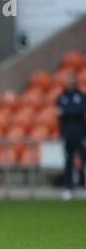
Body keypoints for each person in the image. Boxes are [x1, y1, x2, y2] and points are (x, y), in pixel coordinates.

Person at [56, 71, 86, 201]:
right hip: (66, 135)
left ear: (75, 81)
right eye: (67, 79)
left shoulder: (81, 96)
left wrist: (65, 112)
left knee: (84, 160)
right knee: (68, 162)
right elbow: (59, 112)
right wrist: (71, 112)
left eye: (71, 79)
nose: (69, 82)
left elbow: (79, 111)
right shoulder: (60, 97)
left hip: (80, 134)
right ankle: (69, 189)